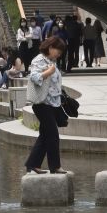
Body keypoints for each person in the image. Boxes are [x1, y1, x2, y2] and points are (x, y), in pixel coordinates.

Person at [24, 36, 69, 174]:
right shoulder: (39, 60)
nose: (60, 53)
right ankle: (55, 166)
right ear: (50, 48)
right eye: (58, 50)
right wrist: (48, 72)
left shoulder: (52, 61)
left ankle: (33, 164)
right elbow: (34, 77)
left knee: (45, 135)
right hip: (42, 103)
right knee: (53, 135)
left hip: (53, 103)